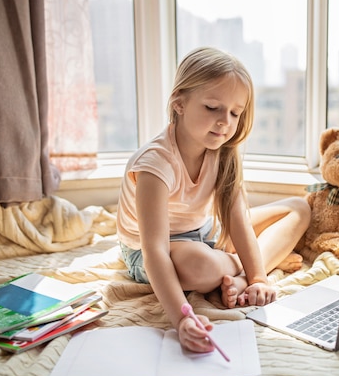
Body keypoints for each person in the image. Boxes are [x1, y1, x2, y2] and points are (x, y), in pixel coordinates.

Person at [116, 47, 311, 354]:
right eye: (212, 107)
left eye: (235, 113)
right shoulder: (155, 164)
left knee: (300, 208)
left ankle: (245, 274)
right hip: (150, 249)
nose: (225, 122)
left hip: (203, 232)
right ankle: (240, 265)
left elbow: (238, 221)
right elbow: (154, 251)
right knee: (201, 266)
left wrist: (259, 279)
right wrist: (183, 319)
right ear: (179, 103)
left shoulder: (222, 154)